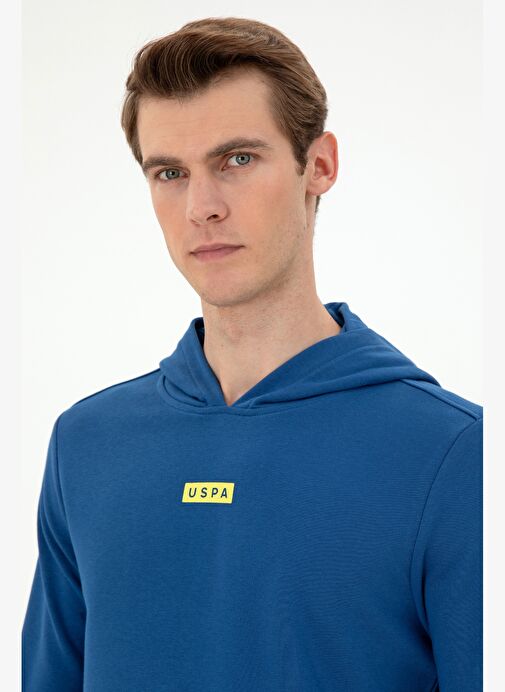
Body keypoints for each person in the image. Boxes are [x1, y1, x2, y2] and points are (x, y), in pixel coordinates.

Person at [22, 16, 483, 692]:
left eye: (236, 160)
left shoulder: (456, 455)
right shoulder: (85, 444)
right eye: (170, 172)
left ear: (319, 166)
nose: (201, 207)